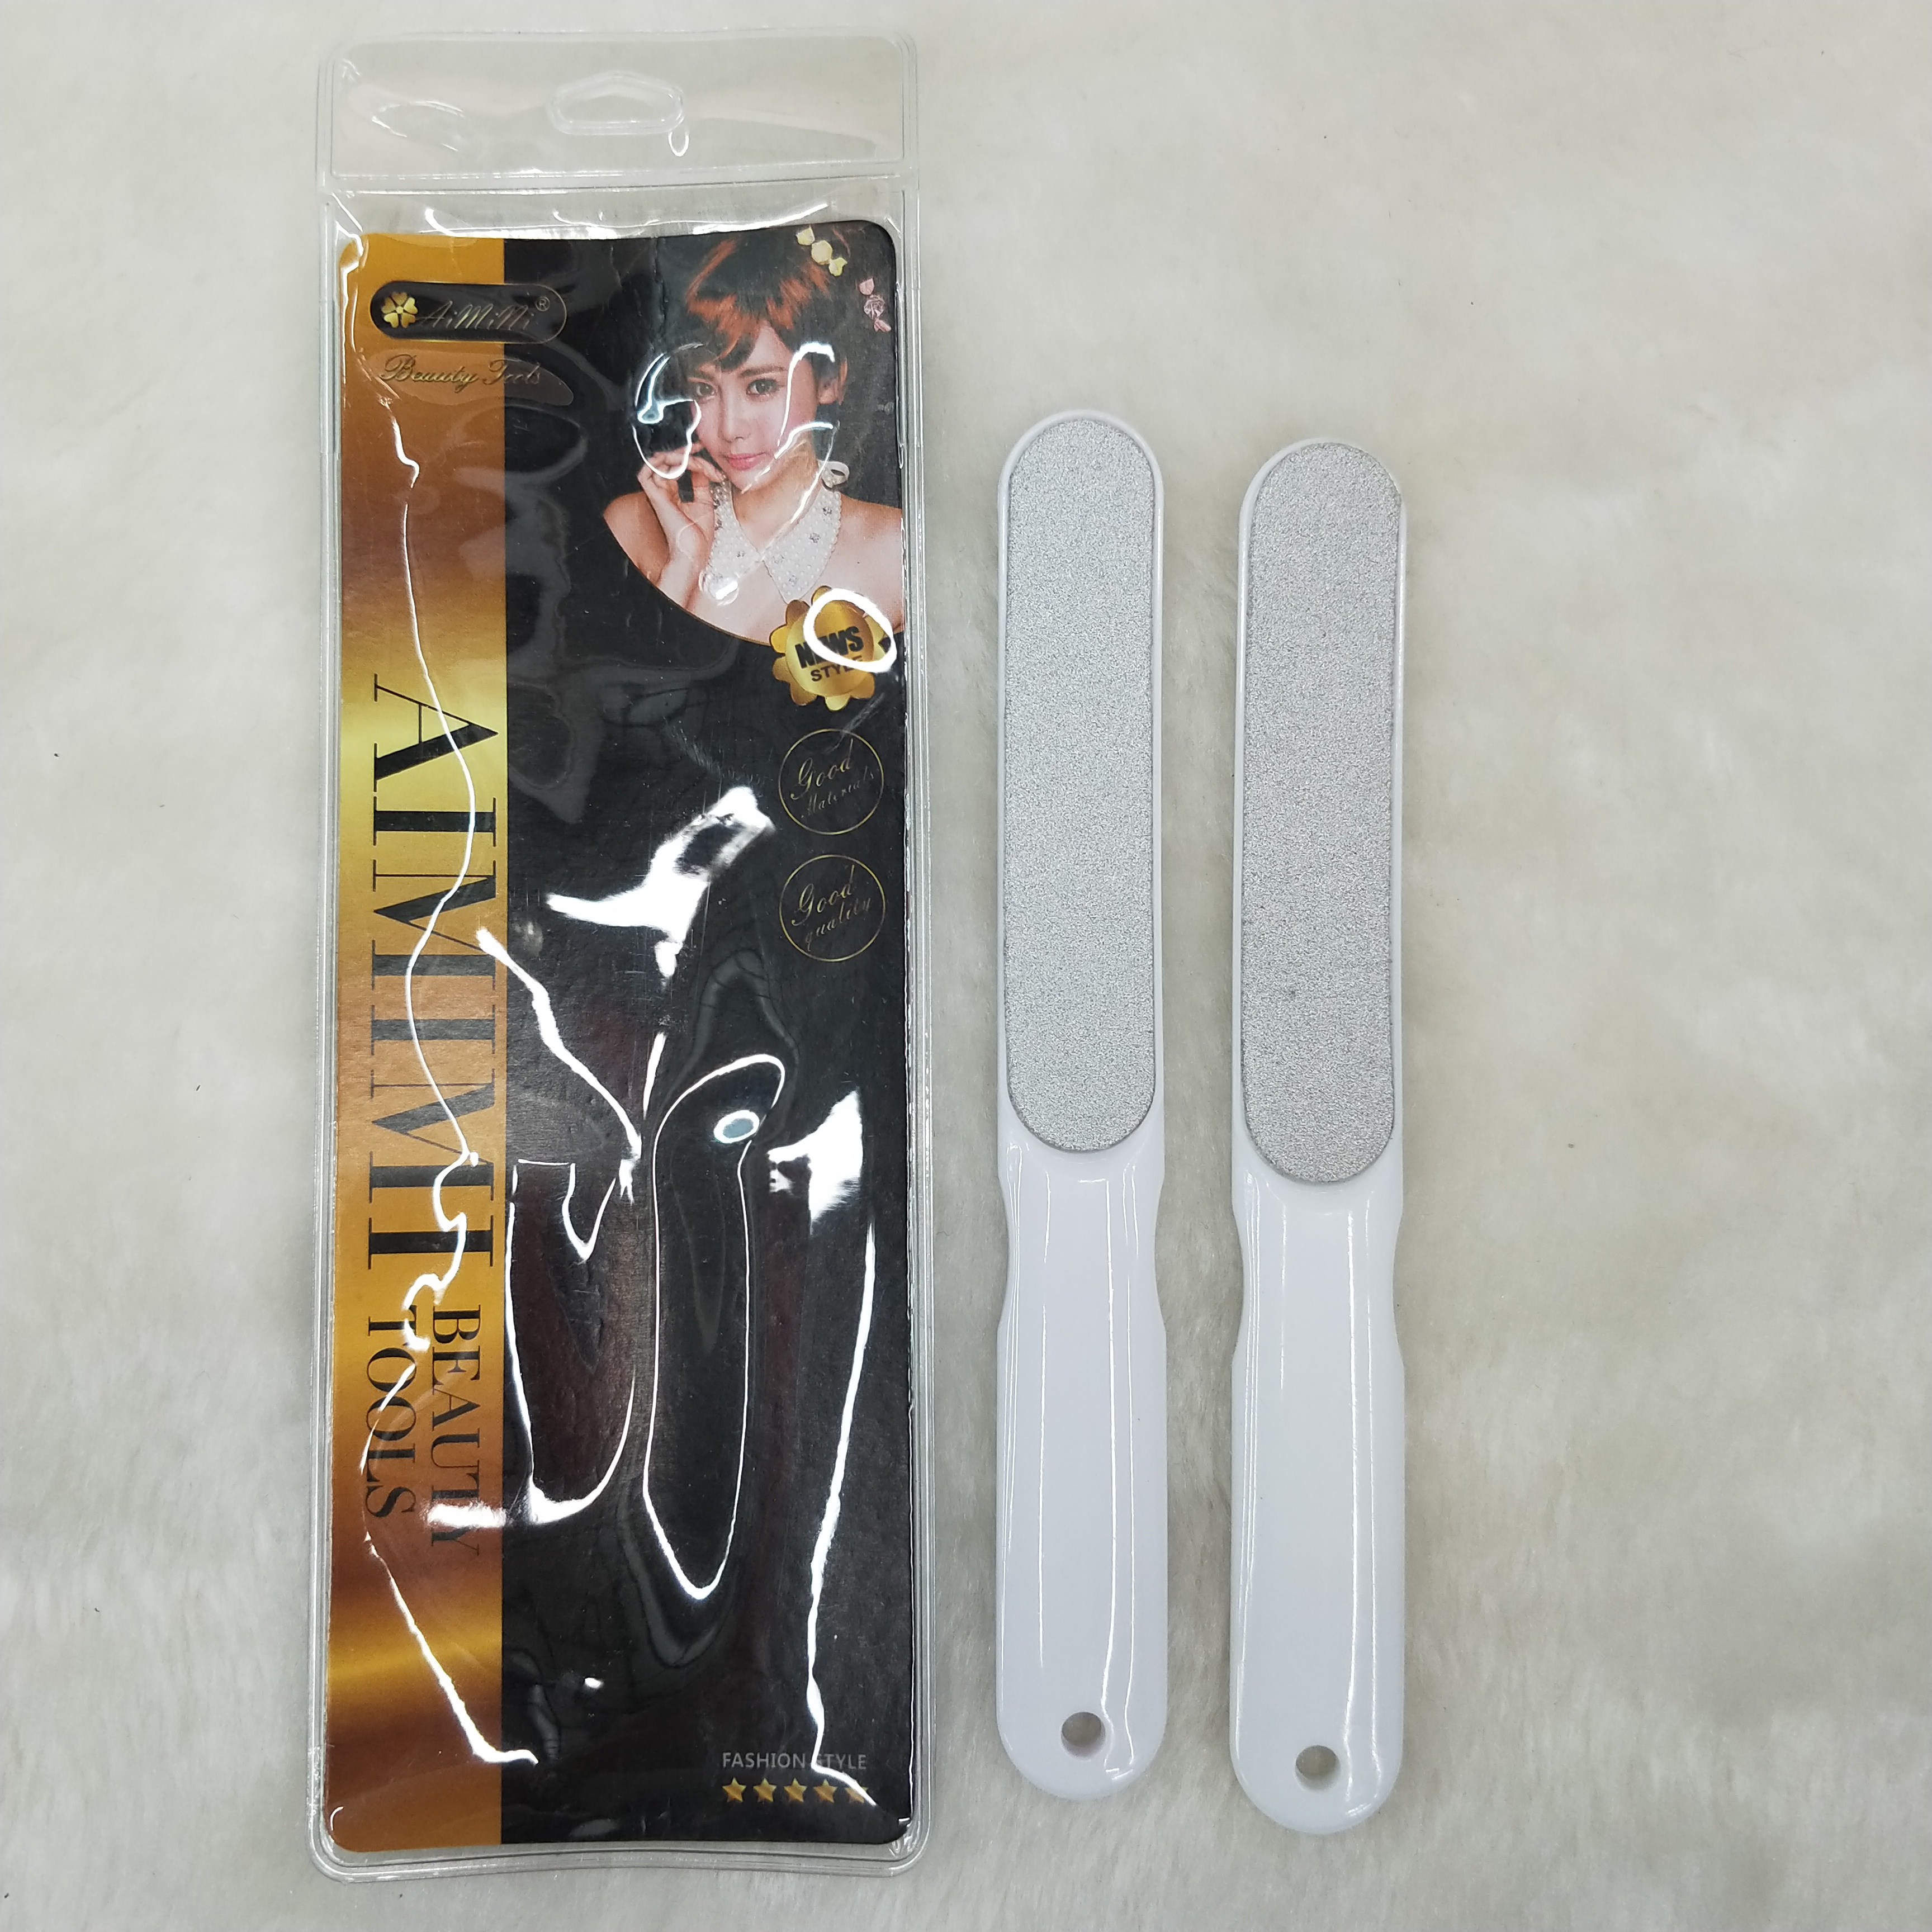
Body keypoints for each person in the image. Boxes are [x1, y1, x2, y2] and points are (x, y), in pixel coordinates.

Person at [604, 225, 905, 647]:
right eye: (704, 390)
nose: (730, 429)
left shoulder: (897, 548)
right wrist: (684, 565)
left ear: (829, 381)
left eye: (761, 386)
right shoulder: (632, 526)